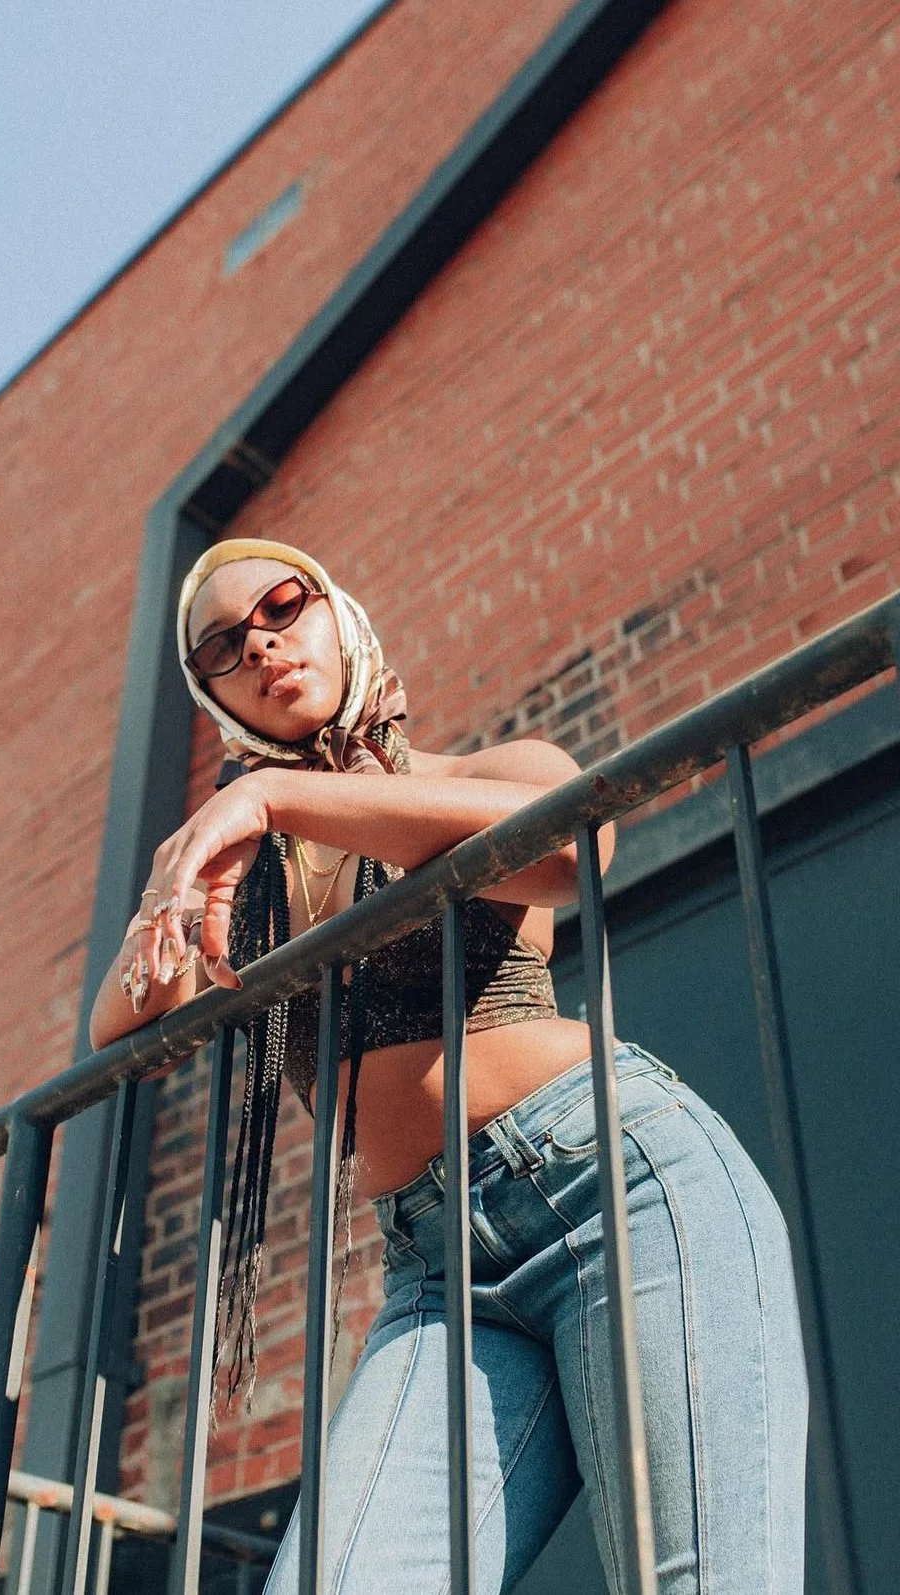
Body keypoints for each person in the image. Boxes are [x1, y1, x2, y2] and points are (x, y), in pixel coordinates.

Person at [89, 537, 808, 1594]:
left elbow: (570, 847)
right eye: (223, 649)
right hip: (434, 1267)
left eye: (283, 606)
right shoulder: (246, 889)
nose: (263, 646)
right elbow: (118, 1029)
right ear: (214, 697)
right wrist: (173, 893)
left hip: (614, 1183)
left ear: (340, 615)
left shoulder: (482, 776)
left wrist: (273, 797)